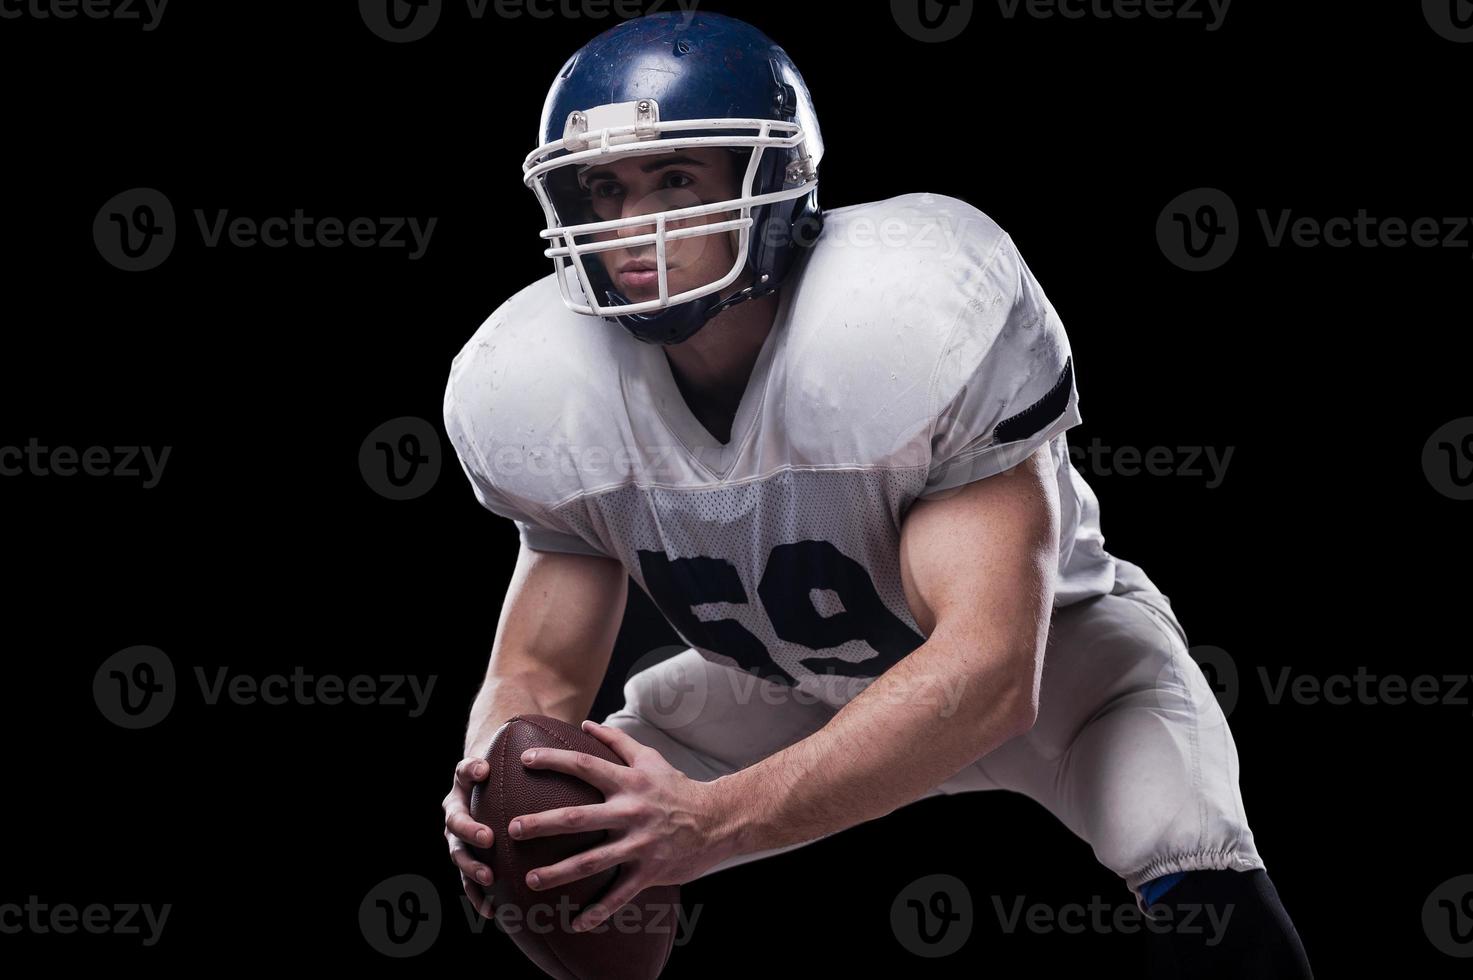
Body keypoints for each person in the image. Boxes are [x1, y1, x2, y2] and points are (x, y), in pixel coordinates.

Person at [440, 11, 1312, 976]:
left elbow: (985, 672)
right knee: (555, 816)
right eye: (603, 189)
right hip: (788, 682)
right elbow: (534, 675)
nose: (631, 224)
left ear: (770, 184)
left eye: (675, 178)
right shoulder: (538, 384)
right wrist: (489, 780)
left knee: (1187, 844)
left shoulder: (899, 316)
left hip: (1055, 667)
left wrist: (713, 822)